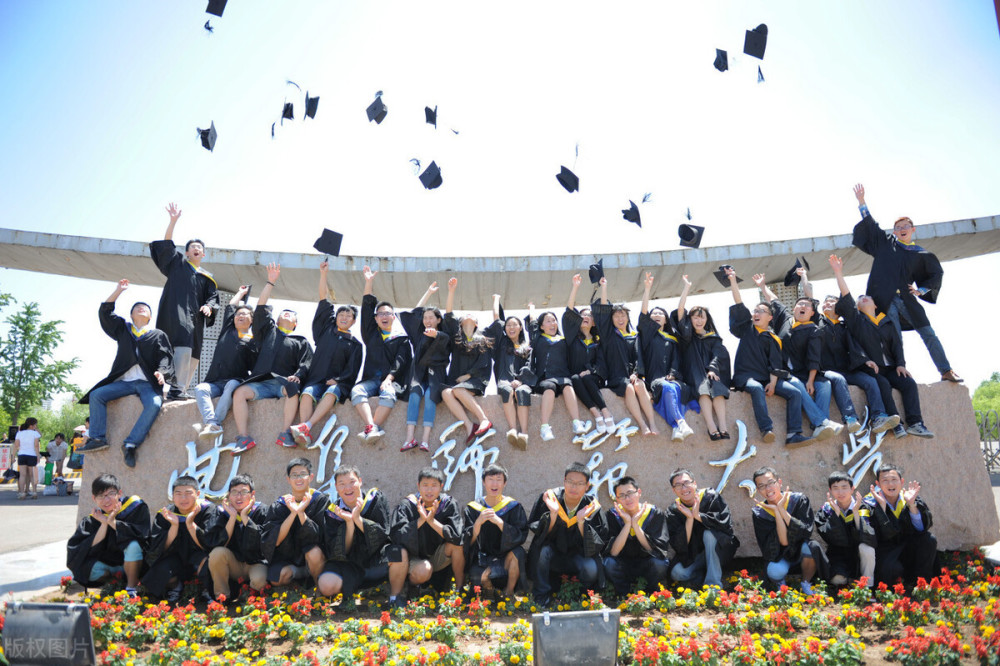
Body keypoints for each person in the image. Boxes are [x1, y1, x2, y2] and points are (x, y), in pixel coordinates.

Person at [852, 184, 961, 383]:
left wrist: (922, 290)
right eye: (898, 227)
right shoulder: (886, 245)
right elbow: (871, 225)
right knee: (895, 337)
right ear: (894, 231)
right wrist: (862, 203)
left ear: (913, 230)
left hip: (906, 299)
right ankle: (899, 372)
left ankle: (946, 370)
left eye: (906, 226)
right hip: (884, 299)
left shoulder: (920, 254)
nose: (902, 229)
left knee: (928, 333)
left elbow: (936, 274)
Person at [829, 254, 934, 439]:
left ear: (875, 304)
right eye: (860, 299)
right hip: (870, 367)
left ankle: (916, 423)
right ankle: (897, 425)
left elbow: (897, 346)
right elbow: (846, 296)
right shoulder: (856, 321)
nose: (863, 298)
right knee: (883, 384)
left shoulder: (886, 321)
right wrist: (838, 272)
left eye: (866, 297)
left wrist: (901, 363)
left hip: (891, 367)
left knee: (908, 383)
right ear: (857, 307)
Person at [76, 279, 173, 469]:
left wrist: (162, 373)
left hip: (146, 383)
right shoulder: (123, 329)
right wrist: (118, 291)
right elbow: (105, 313)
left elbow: (166, 357)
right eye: (137, 307)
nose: (141, 309)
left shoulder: (157, 335)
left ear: (150, 316)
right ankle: (97, 438)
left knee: (154, 403)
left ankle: (130, 444)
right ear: (131, 314)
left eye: (145, 308)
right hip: (124, 381)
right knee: (97, 395)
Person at [802, 273, 901, 435]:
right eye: (825, 302)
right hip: (825, 370)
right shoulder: (817, 321)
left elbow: (854, 347)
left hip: (847, 368)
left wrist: (866, 360)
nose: (827, 304)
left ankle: (878, 417)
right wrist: (804, 276)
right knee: (838, 379)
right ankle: (850, 418)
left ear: (839, 309)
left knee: (870, 380)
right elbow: (808, 294)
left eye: (832, 302)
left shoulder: (844, 327)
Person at [230, 263, 314, 453]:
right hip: (262, 382)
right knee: (239, 392)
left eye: (291, 314)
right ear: (275, 320)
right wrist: (271, 282)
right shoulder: (268, 332)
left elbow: (306, 363)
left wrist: (297, 375)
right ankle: (243, 437)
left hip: (284, 384)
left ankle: (285, 433)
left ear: (295, 324)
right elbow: (260, 308)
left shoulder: (300, 341)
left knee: (293, 389)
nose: (287, 313)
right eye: (283, 312)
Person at [754, 273, 848, 438]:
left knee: (824, 385)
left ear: (812, 313)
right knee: (796, 384)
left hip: (804, 371)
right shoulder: (785, 319)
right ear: (793, 309)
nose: (802, 306)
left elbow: (814, 357)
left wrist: (811, 380)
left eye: (806, 305)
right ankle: (822, 422)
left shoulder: (814, 329)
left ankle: (818, 424)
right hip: (783, 371)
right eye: (799, 304)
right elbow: (774, 299)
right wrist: (762, 286)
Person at [726, 268, 811, 446]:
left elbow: (775, 364)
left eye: (760, 311)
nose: (756, 314)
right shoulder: (747, 330)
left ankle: (793, 434)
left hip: (766, 377)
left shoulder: (774, 339)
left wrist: (772, 384)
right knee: (756, 388)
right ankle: (767, 429)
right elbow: (738, 301)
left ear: (770, 317)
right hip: (746, 377)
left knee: (794, 393)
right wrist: (733, 280)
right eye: (755, 311)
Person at [289, 262, 363, 447]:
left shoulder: (355, 344)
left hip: (336, 384)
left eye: (349, 316)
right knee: (306, 394)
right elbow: (323, 299)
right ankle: (304, 432)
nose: (344, 317)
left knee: (331, 392)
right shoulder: (326, 330)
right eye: (341, 314)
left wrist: (339, 380)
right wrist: (323, 275)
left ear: (353, 322)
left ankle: (307, 425)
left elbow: (352, 369)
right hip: (315, 379)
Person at [150, 203, 219, 397]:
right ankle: (176, 388)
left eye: (199, 247)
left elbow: (213, 298)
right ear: (187, 252)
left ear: (203, 254)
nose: (196, 249)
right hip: (176, 311)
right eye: (192, 247)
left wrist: (208, 307)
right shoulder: (178, 264)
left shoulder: (207, 277)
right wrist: (173, 222)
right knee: (182, 343)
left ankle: (181, 388)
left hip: (196, 318)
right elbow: (166, 246)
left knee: (194, 353)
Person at [527, 462, 606, 608]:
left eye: (580, 483)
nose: (574, 487)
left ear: (587, 486)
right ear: (564, 481)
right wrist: (553, 514)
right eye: (570, 482)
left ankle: (581, 598)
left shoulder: (592, 507)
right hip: (552, 557)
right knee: (542, 551)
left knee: (591, 567)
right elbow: (540, 535)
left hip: (578, 557)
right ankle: (541, 597)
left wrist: (581, 521)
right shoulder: (550, 499)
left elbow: (595, 544)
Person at [388, 467, 465, 606]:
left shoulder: (448, 504)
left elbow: (457, 536)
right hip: (412, 560)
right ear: (418, 486)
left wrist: (431, 521)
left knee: (457, 545)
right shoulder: (408, 505)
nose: (429, 490)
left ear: (441, 486)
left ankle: (460, 591)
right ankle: (408, 589)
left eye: (434, 486)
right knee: (423, 568)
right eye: (425, 485)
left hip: (438, 557)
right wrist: (421, 520)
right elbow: (396, 536)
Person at [352, 265, 412, 443]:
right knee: (357, 390)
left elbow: (401, 362)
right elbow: (366, 307)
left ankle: (372, 427)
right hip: (371, 379)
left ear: (394, 317)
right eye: (380, 314)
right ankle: (372, 426)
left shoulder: (402, 339)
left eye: (388, 313)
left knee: (388, 394)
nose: (384, 316)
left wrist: (389, 379)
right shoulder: (371, 335)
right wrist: (368, 283)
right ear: (376, 318)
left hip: (391, 381)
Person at [592, 277, 658, 437]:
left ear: (628, 318)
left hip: (633, 375)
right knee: (628, 387)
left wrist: (637, 373)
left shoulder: (634, 336)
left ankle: (653, 423)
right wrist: (604, 288)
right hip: (617, 377)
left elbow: (638, 357)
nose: (620, 319)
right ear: (611, 320)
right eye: (616, 317)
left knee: (640, 385)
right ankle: (643, 425)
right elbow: (603, 310)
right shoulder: (608, 335)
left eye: (623, 316)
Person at [144, 475, 225, 602]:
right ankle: (176, 586)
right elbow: (160, 548)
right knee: (156, 573)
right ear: (173, 496)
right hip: (177, 559)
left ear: (197, 494)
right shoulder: (166, 514)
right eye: (178, 493)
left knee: (211, 561)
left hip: (200, 557)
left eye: (188, 493)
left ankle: (207, 590)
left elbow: (208, 545)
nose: (183, 498)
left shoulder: (208, 510)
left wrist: (190, 524)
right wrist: (174, 525)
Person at [67, 473, 149, 597]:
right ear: (94, 499)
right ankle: (114, 585)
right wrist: (104, 524)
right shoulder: (93, 519)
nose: (106, 500)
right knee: (89, 569)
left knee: (133, 545)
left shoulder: (136, 508)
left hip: (134, 565)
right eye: (101, 496)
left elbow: (142, 536)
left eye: (111, 494)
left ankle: (131, 588)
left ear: (119, 493)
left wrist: (113, 522)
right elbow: (85, 548)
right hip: (109, 568)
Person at [193, 285, 257, 442]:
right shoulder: (227, 330)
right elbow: (231, 307)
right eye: (238, 314)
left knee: (231, 387)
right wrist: (241, 292)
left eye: (244, 314)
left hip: (235, 382)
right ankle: (212, 422)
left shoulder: (254, 342)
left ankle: (215, 423)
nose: (239, 316)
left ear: (251, 320)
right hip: (215, 381)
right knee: (200, 388)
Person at [859, 463, 938, 587]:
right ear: (878, 484)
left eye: (894, 480)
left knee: (929, 539)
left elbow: (922, 529)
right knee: (893, 570)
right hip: (885, 551)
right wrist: (882, 510)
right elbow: (869, 535)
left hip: (907, 548)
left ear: (901, 481)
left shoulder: (908, 497)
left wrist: (912, 505)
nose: (890, 484)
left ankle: (922, 585)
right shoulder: (869, 503)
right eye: (885, 481)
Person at [318, 466, 391, 598]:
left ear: (360, 481)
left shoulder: (375, 499)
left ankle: (395, 597)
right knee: (326, 584)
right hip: (349, 566)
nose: (348, 488)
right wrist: (350, 523)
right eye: (342, 484)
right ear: (336, 487)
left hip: (376, 561)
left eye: (352, 482)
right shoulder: (333, 512)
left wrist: (358, 519)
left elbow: (383, 535)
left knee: (399, 554)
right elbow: (340, 552)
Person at [674, 276, 732, 440]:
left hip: (710, 371)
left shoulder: (713, 338)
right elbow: (680, 312)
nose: (699, 320)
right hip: (693, 371)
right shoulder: (687, 336)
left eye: (702, 317)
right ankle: (711, 426)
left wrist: (712, 369)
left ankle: (723, 425)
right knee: (703, 391)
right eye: (695, 317)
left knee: (718, 389)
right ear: (690, 319)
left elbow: (719, 354)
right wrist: (686, 288)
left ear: (707, 320)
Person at [638, 273, 695, 442]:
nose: (656, 315)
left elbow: (676, 360)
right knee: (667, 388)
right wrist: (647, 289)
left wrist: (674, 373)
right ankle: (680, 421)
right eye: (653, 313)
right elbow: (643, 313)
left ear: (665, 320)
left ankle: (677, 428)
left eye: (660, 314)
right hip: (654, 380)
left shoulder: (672, 339)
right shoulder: (648, 335)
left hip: (673, 379)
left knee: (674, 388)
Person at [441, 278, 495, 444]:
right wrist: (451, 291)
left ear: (477, 324)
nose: (469, 316)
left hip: (476, 379)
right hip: (458, 380)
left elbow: (485, 363)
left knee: (458, 390)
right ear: (461, 322)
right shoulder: (456, 338)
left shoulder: (483, 340)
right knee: (446, 392)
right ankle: (470, 425)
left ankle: (484, 419)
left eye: (473, 316)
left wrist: (468, 376)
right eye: (465, 315)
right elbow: (448, 315)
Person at [665, 469, 739, 589]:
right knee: (677, 573)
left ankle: (712, 586)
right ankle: (702, 574)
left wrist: (698, 516)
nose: (684, 488)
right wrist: (689, 519)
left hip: (719, 551)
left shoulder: (711, 497)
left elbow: (725, 527)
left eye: (686, 483)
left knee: (709, 534)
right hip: (695, 556)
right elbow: (680, 546)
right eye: (678, 485)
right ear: (674, 490)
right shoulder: (673, 511)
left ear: (695, 483)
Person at [398, 282, 450, 452]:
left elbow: (445, 340)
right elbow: (414, 313)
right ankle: (409, 438)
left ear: (438, 320)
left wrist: (437, 335)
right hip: (418, 375)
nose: (428, 320)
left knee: (430, 397)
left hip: (436, 377)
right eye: (425, 317)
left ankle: (425, 440)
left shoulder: (444, 336)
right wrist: (428, 292)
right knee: (414, 395)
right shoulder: (418, 335)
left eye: (431, 317)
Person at [462, 463, 528, 599]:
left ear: (505, 483)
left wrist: (500, 523)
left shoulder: (513, 507)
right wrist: (478, 523)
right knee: (480, 576)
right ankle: (489, 591)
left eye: (499, 479)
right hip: (482, 558)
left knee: (519, 552)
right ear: (483, 482)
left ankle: (509, 592)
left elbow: (520, 535)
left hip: (505, 559)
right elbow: (467, 540)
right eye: (491, 479)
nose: (494, 483)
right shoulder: (474, 508)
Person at [262, 458, 329, 588]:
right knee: (277, 577)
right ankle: (297, 588)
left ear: (310, 477)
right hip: (291, 562)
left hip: (316, 560)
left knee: (313, 552)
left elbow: (321, 536)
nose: (299, 478)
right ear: (288, 479)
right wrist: (293, 513)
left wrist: (301, 512)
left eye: (303, 474)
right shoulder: (280, 505)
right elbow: (275, 540)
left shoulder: (320, 501)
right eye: (294, 475)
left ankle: (319, 588)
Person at [751, 466, 817, 593]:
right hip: (779, 557)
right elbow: (783, 543)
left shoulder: (799, 500)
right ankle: (781, 585)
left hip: (802, 556)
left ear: (779, 482)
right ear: (758, 490)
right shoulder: (759, 513)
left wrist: (782, 510)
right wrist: (777, 512)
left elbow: (806, 531)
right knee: (774, 571)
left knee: (811, 547)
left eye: (771, 483)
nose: (768, 489)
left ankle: (806, 583)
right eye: (762, 486)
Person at [602, 476, 670, 596]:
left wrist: (636, 526)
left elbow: (653, 550)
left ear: (639, 493)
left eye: (630, 493)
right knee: (609, 563)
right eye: (621, 495)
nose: (627, 498)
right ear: (617, 499)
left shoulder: (654, 514)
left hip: (646, 564)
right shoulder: (612, 516)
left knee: (660, 563)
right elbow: (613, 552)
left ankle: (650, 593)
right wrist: (627, 524)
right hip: (622, 565)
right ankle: (624, 595)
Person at [565, 274, 616, 434]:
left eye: (589, 315)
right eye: (582, 315)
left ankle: (606, 412)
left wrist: (604, 287)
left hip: (595, 377)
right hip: (577, 379)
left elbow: (603, 313)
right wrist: (575, 287)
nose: (585, 317)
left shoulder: (599, 341)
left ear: (594, 322)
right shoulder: (572, 339)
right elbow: (569, 312)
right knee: (574, 378)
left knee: (585, 377)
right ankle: (596, 414)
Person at [526, 305, 585, 442]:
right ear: (542, 326)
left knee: (568, 386)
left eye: (554, 320)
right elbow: (533, 324)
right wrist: (532, 309)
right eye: (548, 321)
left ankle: (576, 422)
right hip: (545, 377)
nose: (552, 323)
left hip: (563, 376)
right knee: (550, 388)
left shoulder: (563, 340)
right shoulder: (538, 339)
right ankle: (545, 426)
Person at [484, 295, 535, 449]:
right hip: (504, 379)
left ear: (520, 328)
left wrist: (520, 379)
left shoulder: (527, 346)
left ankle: (524, 433)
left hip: (523, 381)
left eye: (515, 325)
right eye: (508, 325)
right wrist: (496, 300)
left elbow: (530, 364)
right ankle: (512, 429)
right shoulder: (501, 343)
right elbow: (497, 319)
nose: (511, 327)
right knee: (506, 390)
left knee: (522, 392)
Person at [207, 474, 269, 600]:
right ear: (228, 495)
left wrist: (245, 517)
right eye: (234, 492)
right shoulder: (222, 513)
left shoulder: (262, 511)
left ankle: (252, 600)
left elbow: (263, 541)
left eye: (244, 492)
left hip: (256, 563)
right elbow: (218, 544)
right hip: (234, 565)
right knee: (217, 553)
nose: (239, 497)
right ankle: (222, 599)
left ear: (252, 494)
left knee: (259, 581)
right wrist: (232, 518)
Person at [815, 471, 876, 588]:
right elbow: (829, 537)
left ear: (852, 489)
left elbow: (869, 537)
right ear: (830, 490)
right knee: (837, 580)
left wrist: (855, 513)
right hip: (839, 554)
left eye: (844, 487)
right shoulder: (827, 510)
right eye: (836, 488)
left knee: (867, 548)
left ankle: (868, 586)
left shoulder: (863, 506)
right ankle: (849, 580)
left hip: (859, 554)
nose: (840, 492)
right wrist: (836, 515)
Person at [15, 418, 40, 500]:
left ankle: (22, 493)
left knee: (22, 475)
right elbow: (36, 446)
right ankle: (34, 492)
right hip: (32, 455)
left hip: (22, 455)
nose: (36, 426)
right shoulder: (35, 433)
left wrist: (13, 455)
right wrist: (38, 456)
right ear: (31, 425)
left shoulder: (19, 433)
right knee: (32, 475)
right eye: (35, 424)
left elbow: (16, 445)